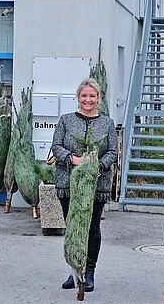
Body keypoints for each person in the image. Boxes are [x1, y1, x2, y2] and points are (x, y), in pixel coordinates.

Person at [51, 78, 117, 293]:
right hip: (68, 182)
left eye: (92, 96)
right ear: (78, 97)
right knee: (73, 227)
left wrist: (96, 165)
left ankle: (89, 272)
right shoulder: (66, 120)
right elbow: (56, 146)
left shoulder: (107, 123)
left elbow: (112, 152)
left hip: (96, 185)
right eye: (84, 95)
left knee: (92, 229)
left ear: (98, 98)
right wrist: (73, 159)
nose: (88, 100)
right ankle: (73, 270)